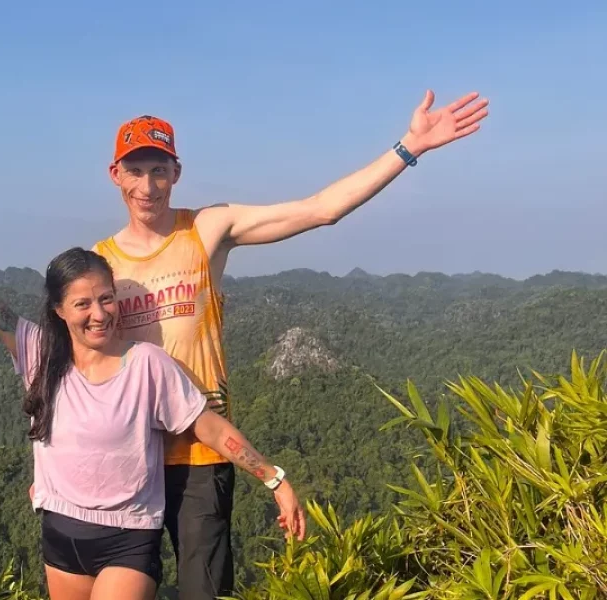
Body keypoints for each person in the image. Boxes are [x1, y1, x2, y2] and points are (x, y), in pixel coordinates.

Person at [92, 89, 489, 599]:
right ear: (115, 175)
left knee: (204, 591)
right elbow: (74, 367)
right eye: (136, 171)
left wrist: (408, 148)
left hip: (201, 456)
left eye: (158, 170)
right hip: (130, 456)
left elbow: (320, 210)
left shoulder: (205, 230)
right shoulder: (99, 264)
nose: (147, 186)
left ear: (176, 173)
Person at [0, 181, 305, 600]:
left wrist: (274, 478)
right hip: (62, 539)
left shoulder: (147, 365)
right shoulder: (39, 354)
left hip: (128, 542)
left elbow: (207, 425)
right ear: (59, 310)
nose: (99, 314)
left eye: (107, 298)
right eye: (82, 304)